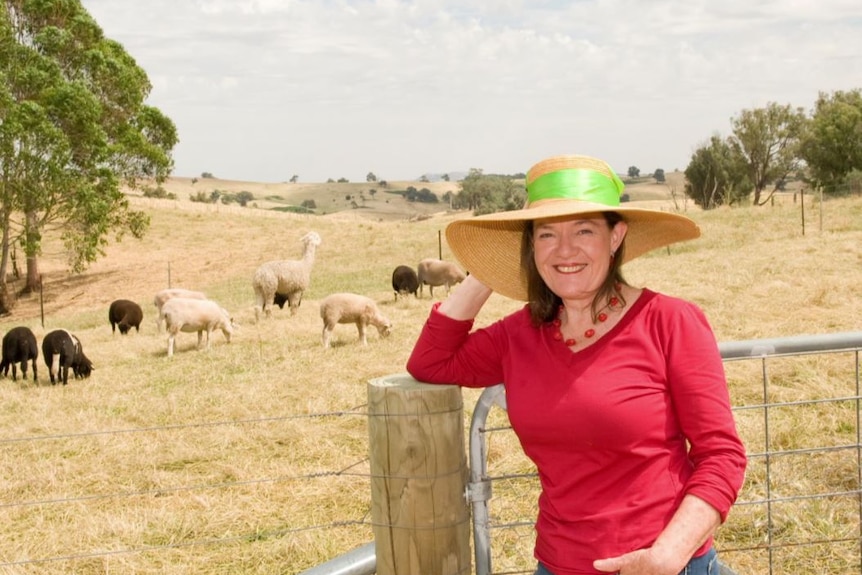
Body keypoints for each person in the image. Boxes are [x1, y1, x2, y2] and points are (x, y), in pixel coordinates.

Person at [406, 154, 747, 575]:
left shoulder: (670, 322)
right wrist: (491, 269)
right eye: (546, 235)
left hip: (667, 565)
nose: (565, 250)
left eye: (584, 230)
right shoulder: (519, 336)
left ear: (616, 236)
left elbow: (722, 455)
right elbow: (431, 362)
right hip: (558, 564)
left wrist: (667, 555)